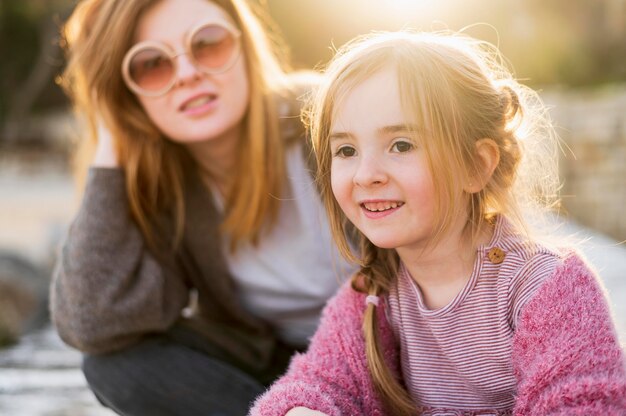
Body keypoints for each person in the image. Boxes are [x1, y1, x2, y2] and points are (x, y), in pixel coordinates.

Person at [250, 30, 626, 416]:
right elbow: (316, 384)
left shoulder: (547, 288)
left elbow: (586, 403)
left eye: (401, 145)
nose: (366, 174)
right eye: (346, 150)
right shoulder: (370, 297)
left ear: (476, 165)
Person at [50, 0, 355, 415]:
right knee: (113, 365)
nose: (189, 74)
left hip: (389, 348)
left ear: (244, 46)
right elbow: (90, 321)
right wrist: (112, 143)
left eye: (207, 44)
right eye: (152, 64)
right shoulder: (163, 186)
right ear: (127, 94)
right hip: (278, 369)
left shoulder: (330, 117)